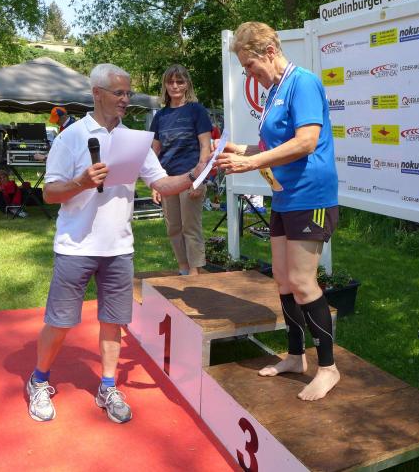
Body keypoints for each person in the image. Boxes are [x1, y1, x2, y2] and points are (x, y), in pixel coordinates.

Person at [26, 63, 205, 424]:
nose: (125, 99)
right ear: (97, 94)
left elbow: (162, 183)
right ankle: (39, 380)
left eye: (128, 93)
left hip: (119, 249)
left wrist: (196, 173)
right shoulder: (71, 137)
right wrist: (81, 182)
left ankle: (107, 386)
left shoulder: (135, 140)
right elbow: (49, 192)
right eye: (119, 93)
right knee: (60, 322)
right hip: (76, 247)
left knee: (113, 322)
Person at [215, 22, 340, 401]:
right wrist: (239, 150)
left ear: (270, 52)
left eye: (250, 65)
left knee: (302, 281)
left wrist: (251, 163)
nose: (249, 73)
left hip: (312, 196)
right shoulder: (274, 91)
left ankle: (328, 367)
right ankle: (296, 356)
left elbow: (306, 142)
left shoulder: (303, 82)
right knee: (284, 281)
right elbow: (271, 149)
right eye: (244, 68)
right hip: (285, 196)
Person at [149, 65, 212, 275]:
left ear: (187, 85)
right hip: (167, 180)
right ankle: (183, 269)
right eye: (171, 82)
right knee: (173, 228)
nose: (175, 86)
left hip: (191, 177)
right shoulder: (160, 116)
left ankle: (195, 272)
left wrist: (199, 179)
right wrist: (154, 183)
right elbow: (154, 152)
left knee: (190, 227)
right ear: (165, 85)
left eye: (180, 81)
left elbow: (205, 147)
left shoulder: (197, 110)